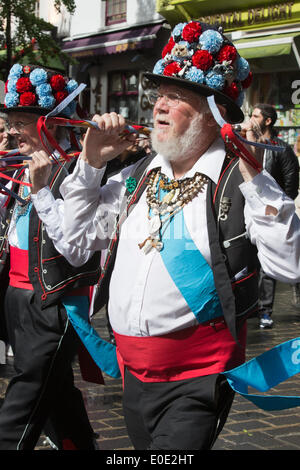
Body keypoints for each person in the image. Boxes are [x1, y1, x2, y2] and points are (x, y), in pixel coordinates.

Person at [60, 22, 300, 450]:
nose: (158, 108)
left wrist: (255, 176)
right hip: (132, 377)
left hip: (198, 381)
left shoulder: (236, 180)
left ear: (212, 114)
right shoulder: (136, 176)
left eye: (175, 98)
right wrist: (91, 165)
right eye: (158, 97)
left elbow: (289, 265)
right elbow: (73, 243)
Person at [0, 63, 102, 450]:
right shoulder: (15, 167)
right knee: (53, 390)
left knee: (25, 395)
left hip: (55, 301)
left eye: (21, 121)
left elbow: (75, 246)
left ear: (52, 124)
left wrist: (42, 188)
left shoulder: (80, 172)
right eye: (10, 121)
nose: (11, 130)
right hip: (15, 295)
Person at [243, 103, 300, 327]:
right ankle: (258, 309)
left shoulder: (282, 150)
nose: (251, 118)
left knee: (275, 263)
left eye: (256, 115)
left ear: (267, 121)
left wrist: (277, 208)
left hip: (276, 215)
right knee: (254, 262)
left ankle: (266, 310)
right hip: (251, 211)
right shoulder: (247, 145)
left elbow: (291, 185)